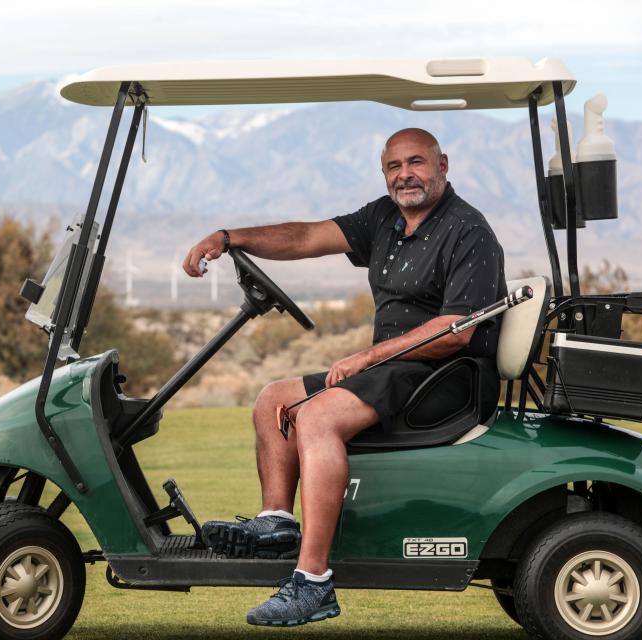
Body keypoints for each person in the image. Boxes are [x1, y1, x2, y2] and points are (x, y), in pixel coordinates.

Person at [181, 128, 506, 627]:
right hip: (395, 372)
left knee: (314, 418)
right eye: (394, 167)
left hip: (446, 378)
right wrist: (229, 238)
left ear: (444, 163)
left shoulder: (469, 231)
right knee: (274, 400)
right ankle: (277, 525)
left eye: (416, 163)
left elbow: (456, 332)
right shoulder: (384, 217)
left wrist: (368, 356)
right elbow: (306, 236)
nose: (405, 175)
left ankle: (313, 583)